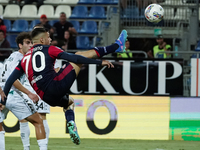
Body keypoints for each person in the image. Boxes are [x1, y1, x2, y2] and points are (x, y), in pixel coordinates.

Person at [1, 28, 128, 145]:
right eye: (48, 37)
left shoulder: (25, 59)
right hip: (56, 85)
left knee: (69, 102)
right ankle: (116, 46)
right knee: (79, 54)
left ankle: (71, 122)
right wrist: (99, 62)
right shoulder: (50, 49)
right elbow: (75, 58)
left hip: (46, 97)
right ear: (42, 40)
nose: (50, 40)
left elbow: (10, 81)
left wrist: (3, 101)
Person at [0, 32, 47, 150]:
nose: (31, 45)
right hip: (11, 95)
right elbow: (12, 79)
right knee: (38, 122)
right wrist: (29, 93)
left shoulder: (11, 56)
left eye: (31, 43)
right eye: (27, 43)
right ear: (20, 45)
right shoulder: (20, 59)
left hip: (2, 94)